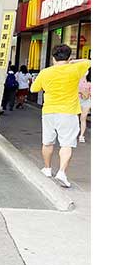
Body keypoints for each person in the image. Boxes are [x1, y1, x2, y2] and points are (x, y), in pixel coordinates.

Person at [29, 44, 91, 188]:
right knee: (66, 144)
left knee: (47, 142)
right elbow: (89, 61)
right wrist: (73, 62)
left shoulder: (45, 72)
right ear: (69, 57)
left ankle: (47, 168)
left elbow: (33, 89)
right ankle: (62, 172)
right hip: (68, 112)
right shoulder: (76, 68)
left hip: (49, 111)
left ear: (53, 58)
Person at [78, 70, 91, 142]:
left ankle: (81, 135)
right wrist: (81, 92)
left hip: (86, 101)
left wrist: (86, 93)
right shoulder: (76, 81)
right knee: (75, 118)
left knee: (83, 118)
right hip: (77, 100)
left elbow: (89, 94)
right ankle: (73, 134)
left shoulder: (89, 82)